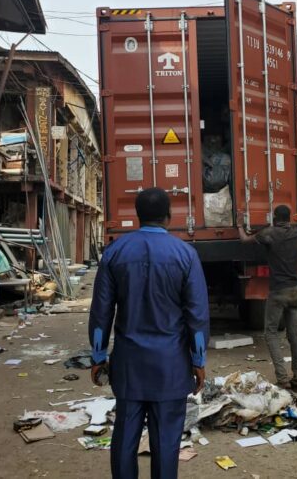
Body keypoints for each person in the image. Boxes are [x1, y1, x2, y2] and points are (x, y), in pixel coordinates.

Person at [89, 188, 210, 479]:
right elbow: (197, 314)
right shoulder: (185, 254)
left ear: (137, 215)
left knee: (124, 439)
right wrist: (199, 360)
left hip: (129, 365)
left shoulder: (115, 252)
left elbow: (101, 311)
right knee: (167, 444)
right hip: (171, 366)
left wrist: (97, 355)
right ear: (169, 216)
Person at [238, 205, 297, 393]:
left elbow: (245, 240)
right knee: (293, 335)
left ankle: (282, 379)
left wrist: (239, 225)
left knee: (270, 333)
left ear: (275, 218)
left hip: (278, 291)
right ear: (289, 217)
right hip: (295, 290)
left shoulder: (270, 233)